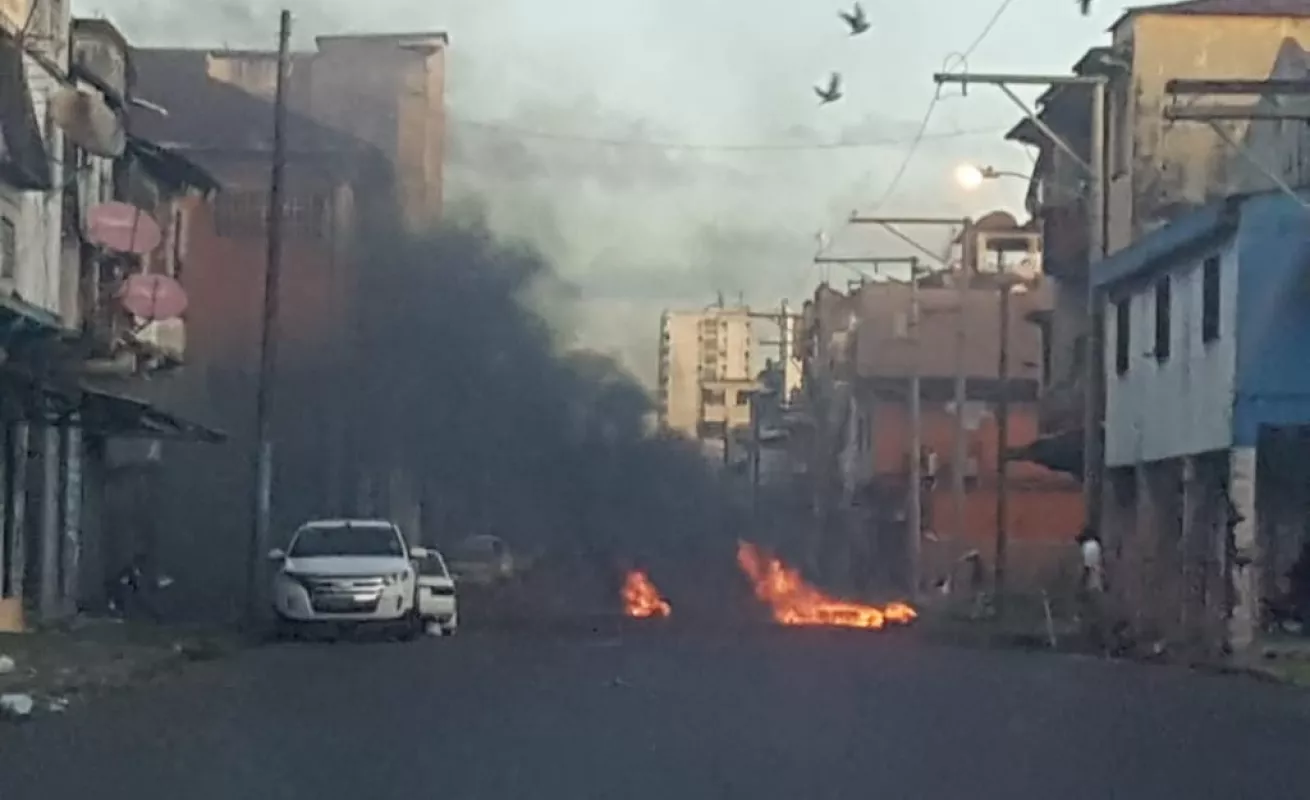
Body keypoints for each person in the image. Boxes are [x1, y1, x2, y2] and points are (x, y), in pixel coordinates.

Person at [1075, 526, 1107, 650]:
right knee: (1095, 613)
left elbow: (1087, 568)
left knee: (1090, 613)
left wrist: (1081, 585)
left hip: (1091, 584)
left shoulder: (1089, 547)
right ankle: (1096, 639)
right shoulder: (1097, 546)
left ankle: (1093, 640)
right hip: (1097, 583)